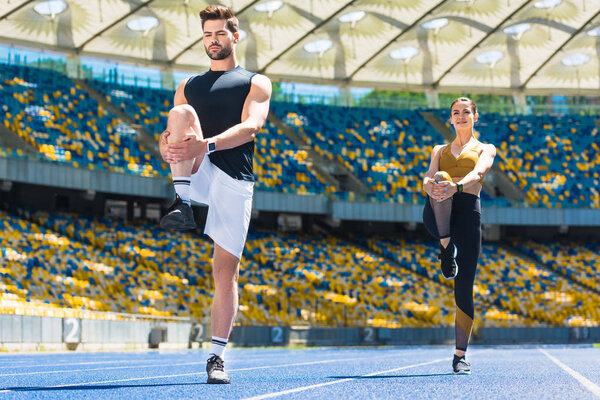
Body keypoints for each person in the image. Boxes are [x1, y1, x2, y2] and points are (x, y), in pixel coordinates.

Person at [158, 5, 272, 384]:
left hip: (233, 177)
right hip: (195, 169)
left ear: (235, 37)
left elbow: (251, 126)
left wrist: (203, 146)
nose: (213, 40)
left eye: (220, 33)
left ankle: (217, 358)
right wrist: (168, 147)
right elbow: (173, 134)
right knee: (180, 113)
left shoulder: (256, 82)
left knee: (225, 272)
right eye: (207, 34)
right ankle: (182, 202)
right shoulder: (188, 85)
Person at [421, 97, 496, 375]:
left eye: (466, 112)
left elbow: (480, 172)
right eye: (456, 113)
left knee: (464, 285)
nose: (461, 116)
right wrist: (432, 184)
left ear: (475, 117)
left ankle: (459, 355)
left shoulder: (486, 148)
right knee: (439, 175)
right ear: (450, 119)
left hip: (467, 213)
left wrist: (457, 187)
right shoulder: (439, 149)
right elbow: (427, 178)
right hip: (438, 212)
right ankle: (445, 248)